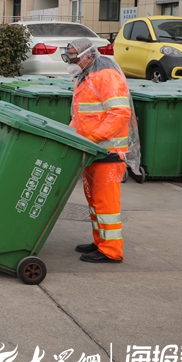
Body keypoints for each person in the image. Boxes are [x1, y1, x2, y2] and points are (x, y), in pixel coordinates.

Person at [63, 38, 139, 264]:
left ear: (88, 55)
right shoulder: (85, 76)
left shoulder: (106, 76)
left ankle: (111, 250)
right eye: (67, 56)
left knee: (106, 202)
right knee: (94, 199)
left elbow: (119, 113)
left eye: (73, 56)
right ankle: (100, 241)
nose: (70, 61)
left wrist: (93, 137)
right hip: (92, 149)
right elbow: (82, 116)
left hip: (107, 150)